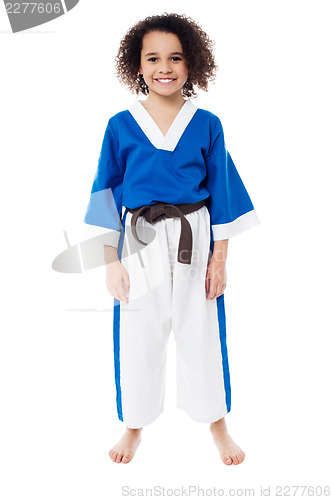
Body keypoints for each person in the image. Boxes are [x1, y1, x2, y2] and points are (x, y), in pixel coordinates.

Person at [83, 13, 260, 465]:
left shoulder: (206, 124)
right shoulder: (121, 125)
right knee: (139, 332)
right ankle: (134, 426)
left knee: (200, 330)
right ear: (138, 67)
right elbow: (106, 192)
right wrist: (111, 260)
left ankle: (217, 424)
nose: (165, 66)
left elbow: (222, 194)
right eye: (154, 58)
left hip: (194, 236)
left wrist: (219, 260)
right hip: (138, 238)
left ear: (192, 63)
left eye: (176, 57)